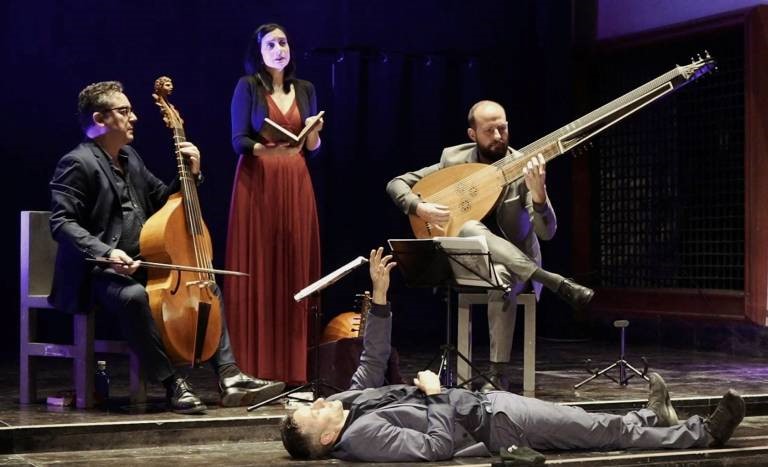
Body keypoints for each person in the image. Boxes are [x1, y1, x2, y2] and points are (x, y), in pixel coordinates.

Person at [279, 247, 746, 462]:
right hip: (494, 424)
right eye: (313, 413)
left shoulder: (353, 404)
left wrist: (380, 298)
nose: (320, 401)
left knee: (590, 425)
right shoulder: (361, 438)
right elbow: (435, 449)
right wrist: (437, 393)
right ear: (324, 440)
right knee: (598, 431)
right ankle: (701, 434)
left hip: (489, 408)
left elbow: (373, 358)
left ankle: (651, 417)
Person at [49, 81, 285, 414]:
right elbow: (62, 223)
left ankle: (229, 375)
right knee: (133, 297)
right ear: (100, 119)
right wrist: (107, 252)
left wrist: (191, 173)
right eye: (125, 111)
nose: (134, 118)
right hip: (98, 272)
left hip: (144, 264)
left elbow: (164, 199)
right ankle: (173, 383)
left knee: (208, 286)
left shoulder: (130, 158)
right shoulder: (77, 162)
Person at [386, 99, 595, 390]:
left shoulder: (522, 165)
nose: (498, 136)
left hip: (514, 267)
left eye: (503, 128)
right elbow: (396, 183)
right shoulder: (454, 160)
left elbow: (547, 233)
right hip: (467, 263)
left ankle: (498, 374)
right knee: (469, 227)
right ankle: (552, 281)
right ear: (472, 134)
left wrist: (539, 195)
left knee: (504, 278)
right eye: (489, 130)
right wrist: (418, 208)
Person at [225, 23, 323, 385]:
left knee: (295, 264)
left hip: (296, 181)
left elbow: (312, 148)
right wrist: (268, 147)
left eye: (284, 41)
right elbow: (238, 140)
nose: (280, 48)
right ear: (259, 52)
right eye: (272, 43)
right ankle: (256, 366)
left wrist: (311, 134)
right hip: (259, 181)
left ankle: (295, 368)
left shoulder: (306, 89)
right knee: (261, 264)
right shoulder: (247, 87)